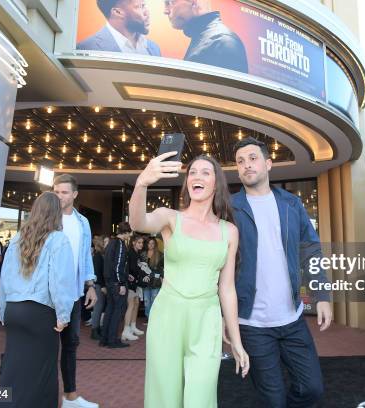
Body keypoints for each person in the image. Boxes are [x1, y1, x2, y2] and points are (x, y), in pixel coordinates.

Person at [129, 152, 250, 407]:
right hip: (168, 315)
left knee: (200, 396)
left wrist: (237, 341)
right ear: (187, 183)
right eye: (192, 172)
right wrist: (142, 183)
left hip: (206, 319)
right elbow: (138, 222)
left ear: (216, 183)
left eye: (205, 172)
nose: (197, 176)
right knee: (165, 395)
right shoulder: (170, 218)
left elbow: (227, 289)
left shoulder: (229, 231)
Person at [229, 137, 332, 407]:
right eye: (240, 161)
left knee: (312, 389)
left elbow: (310, 250)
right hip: (253, 325)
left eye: (252, 158)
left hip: (292, 319)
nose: (246, 165)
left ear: (268, 163)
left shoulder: (291, 204)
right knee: (272, 400)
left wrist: (321, 294)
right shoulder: (230, 208)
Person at [0, 192, 76, 408]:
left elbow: (5, 279)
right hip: (40, 314)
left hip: (13, 310)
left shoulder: (16, 240)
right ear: (56, 214)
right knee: (42, 373)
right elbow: (60, 282)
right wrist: (63, 315)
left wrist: (3, 311)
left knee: (12, 369)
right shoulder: (59, 240)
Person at [53, 174, 99, 408]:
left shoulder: (83, 223)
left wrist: (90, 285)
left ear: (74, 195)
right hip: (48, 294)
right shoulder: (48, 218)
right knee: (47, 346)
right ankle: (45, 396)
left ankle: (69, 397)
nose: (59, 196)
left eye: (64, 192)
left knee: (70, 345)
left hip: (73, 294)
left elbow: (85, 258)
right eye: (56, 191)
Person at [164, 0, 248, 73]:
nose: (165, 11)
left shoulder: (222, 41)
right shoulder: (211, 40)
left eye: (170, 2)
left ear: (193, 1)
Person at [77, 0, 161, 55]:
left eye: (144, 4)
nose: (147, 12)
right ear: (117, 12)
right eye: (140, 6)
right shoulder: (86, 49)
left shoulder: (154, 48)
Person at [101, 222, 133, 348]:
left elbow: (110, 264)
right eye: (129, 232)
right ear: (126, 232)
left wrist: (125, 274)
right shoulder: (120, 244)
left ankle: (105, 338)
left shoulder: (110, 243)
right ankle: (113, 340)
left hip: (109, 281)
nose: (130, 235)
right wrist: (121, 283)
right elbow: (119, 264)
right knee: (118, 310)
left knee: (110, 309)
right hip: (116, 283)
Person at [122, 234, 145, 340]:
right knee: (131, 305)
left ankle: (133, 326)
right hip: (130, 283)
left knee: (136, 303)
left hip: (137, 283)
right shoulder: (130, 253)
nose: (141, 244)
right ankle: (126, 330)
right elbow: (129, 268)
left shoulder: (138, 254)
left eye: (142, 243)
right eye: (139, 242)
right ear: (133, 243)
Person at [90, 236, 107, 340]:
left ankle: (96, 329)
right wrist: (102, 286)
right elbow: (98, 273)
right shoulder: (98, 256)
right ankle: (94, 330)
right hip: (98, 285)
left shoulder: (100, 255)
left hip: (99, 284)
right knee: (98, 307)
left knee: (99, 307)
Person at [142, 236, 163, 318]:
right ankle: (148, 317)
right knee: (146, 302)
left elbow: (163, 268)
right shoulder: (143, 254)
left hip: (156, 281)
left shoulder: (160, 255)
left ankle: (153, 319)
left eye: (152, 243)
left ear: (155, 244)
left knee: (154, 301)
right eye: (149, 243)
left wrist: (162, 278)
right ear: (147, 244)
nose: (151, 245)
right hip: (146, 281)